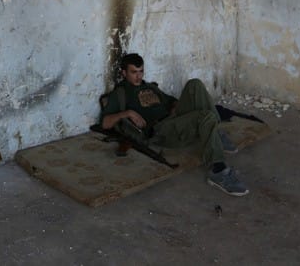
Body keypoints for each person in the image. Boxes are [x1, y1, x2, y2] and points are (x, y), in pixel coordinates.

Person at [99, 53, 249, 196]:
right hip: (161, 130)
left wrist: (175, 106)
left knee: (194, 84)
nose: (139, 76)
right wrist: (127, 113)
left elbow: (171, 101)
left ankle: (215, 132)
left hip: (174, 118)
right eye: (134, 72)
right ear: (124, 73)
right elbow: (105, 123)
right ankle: (218, 170)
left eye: (141, 71)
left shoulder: (150, 87)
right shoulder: (121, 93)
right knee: (205, 116)